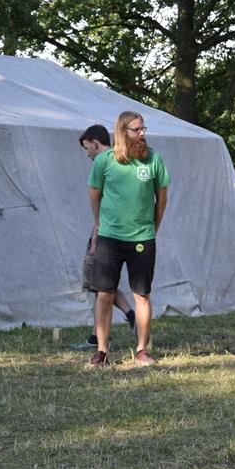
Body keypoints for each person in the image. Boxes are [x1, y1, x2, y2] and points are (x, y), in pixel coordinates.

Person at [86, 111, 170, 366]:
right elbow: (94, 196)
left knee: (142, 295)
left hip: (142, 238)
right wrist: (99, 225)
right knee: (104, 294)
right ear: (122, 132)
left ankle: (142, 350)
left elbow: (161, 200)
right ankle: (102, 351)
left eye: (144, 129)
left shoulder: (153, 159)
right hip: (110, 238)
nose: (142, 133)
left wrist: (153, 229)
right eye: (137, 129)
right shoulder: (104, 161)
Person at [72, 124, 135, 350]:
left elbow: (96, 201)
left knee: (100, 285)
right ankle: (109, 328)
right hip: (122, 231)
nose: (87, 153)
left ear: (95, 142)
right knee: (103, 285)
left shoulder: (102, 163)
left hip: (106, 233)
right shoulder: (123, 162)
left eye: (87, 147)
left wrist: (96, 233)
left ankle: (103, 336)